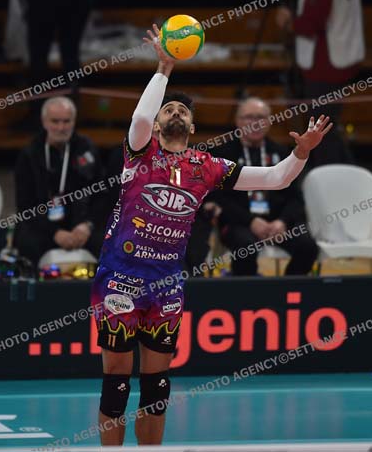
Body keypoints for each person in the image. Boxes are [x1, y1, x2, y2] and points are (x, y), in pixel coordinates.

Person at [91, 25, 331, 446]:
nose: (175, 113)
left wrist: (301, 152)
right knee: (116, 383)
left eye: (182, 111)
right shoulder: (139, 153)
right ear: (158, 124)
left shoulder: (206, 166)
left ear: (193, 124)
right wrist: (164, 66)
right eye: (169, 109)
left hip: (166, 284)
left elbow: (275, 179)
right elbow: (140, 117)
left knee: (156, 388)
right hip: (120, 278)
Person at [276, 0, 364, 167]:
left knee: (322, 132)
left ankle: (329, 177)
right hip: (342, 56)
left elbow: (309, 26)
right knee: (329, 127)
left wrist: (287, 22)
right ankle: (337, 173)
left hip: (325, 64)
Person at [211, 97, 319, 275]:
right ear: (237, 121)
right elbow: (219, 198)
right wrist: (250, 221)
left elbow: (295, 198)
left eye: (261, 117)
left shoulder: (282, 153)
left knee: (307, 246)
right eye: (249, 117)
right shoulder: (222, 154)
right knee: (245, 246)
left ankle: (288, 289)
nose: (255, 122)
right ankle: (250, 291)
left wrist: (282, 222)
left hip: (276, 223)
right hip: (240, 222)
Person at [14, 96, 103, 271]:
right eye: (55, 121)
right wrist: (54, 233)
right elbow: (25, 206)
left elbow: (101, 196)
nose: (61, 127)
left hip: (80, 225)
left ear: (74, 122)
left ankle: (104, 287)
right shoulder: (30, 154)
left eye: (66, 121)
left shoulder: (87, 149)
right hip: (43, 224)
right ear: (44, 122)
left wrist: (87, 225)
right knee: (27, 242)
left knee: (109, 240)